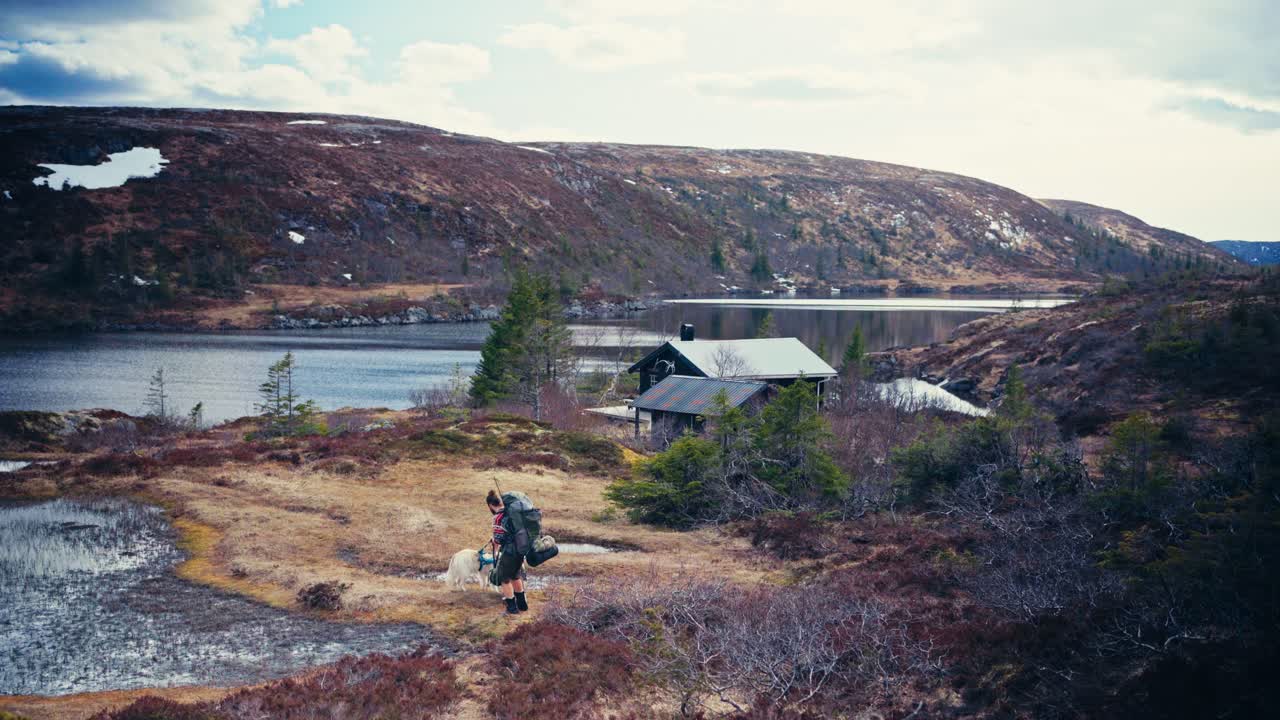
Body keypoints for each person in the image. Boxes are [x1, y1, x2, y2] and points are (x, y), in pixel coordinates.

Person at [487, 490, 528, 615]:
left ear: (490, 505)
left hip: (509, 551)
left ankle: (512, 609)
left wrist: (494, 541)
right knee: (515, 576)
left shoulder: (498, 517)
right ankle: (522, 605)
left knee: (505, 579)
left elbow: (499, 540)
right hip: (520, 549)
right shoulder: (512, 512)